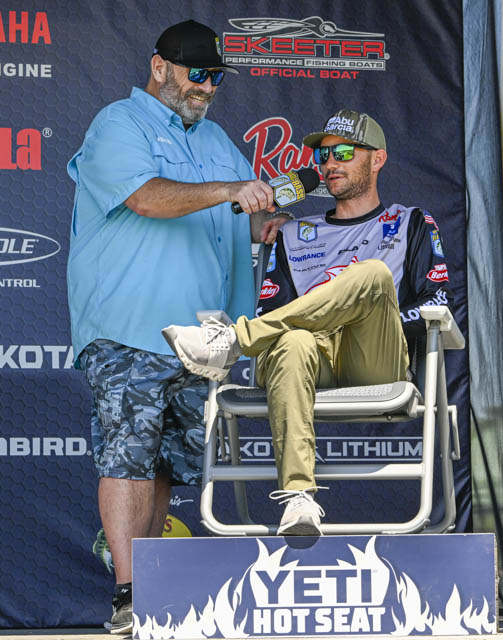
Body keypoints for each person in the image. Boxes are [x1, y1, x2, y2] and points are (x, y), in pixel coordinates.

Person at [66, 20, 287, 634]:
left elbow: (236, 213)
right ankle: (127, 595)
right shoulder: (119, 123)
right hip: (128, 327)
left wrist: (262, 223)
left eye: (216, 77)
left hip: (203, 338)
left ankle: (150, 588)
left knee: (163, 463)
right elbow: (147, 197)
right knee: (127, 456)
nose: (208, 86)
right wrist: (231, 190)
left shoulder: (216, 137)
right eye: (198, 73)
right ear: (160, 66)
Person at [162, 109, 451, 536]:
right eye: (323, 155)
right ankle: (298, 499)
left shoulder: (410, 222)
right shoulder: (293, 234)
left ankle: (232, 342)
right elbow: (272, 318)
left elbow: (437, 302)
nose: (330, 163)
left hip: (374, 356)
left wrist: (378, 309)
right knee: (293, 342)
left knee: (372, 275)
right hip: (307, 359)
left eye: (344, 153)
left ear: (377, 159)